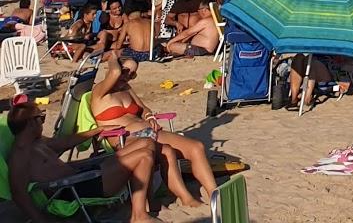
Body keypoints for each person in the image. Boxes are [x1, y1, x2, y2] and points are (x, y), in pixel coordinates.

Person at [5, 97, 159, 223]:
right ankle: (138, 216)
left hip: (83, 176)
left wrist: (98, 130)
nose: (43, 123)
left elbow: (67, 142)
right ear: (32, 122)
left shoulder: (38, 142)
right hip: (75, 190)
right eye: (42, 118)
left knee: (146, 143)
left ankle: (144, 203)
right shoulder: (20, 156)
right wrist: (42, 220)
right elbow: (19, 194)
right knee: (144, 156)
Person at [90, 57, 218, 209]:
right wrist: (112, 55)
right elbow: (115, 71)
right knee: (168, 152)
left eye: (132, 74)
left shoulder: (126, 88)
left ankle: (215, 196)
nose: (127, 76)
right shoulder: (100, 91)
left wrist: (149, 116)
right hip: (125, 139)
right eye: (125, 71)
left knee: (196, 147)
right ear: (113, 68)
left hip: (150, 131)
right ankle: (186, 197)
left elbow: (143, 108)